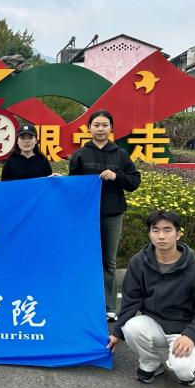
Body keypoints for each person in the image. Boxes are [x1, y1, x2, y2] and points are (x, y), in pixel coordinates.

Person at [107, 210, 195, 386]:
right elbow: (131, 300)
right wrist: (117, 333)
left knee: (185, 373)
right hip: (155, 324)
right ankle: (152, 363)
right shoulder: (139, 262)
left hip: (183, 330)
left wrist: (192, 335)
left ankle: (191, 361)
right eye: (155, 230)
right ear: (149, 234)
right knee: (130, 327)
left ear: (178, 234)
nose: (161, 236)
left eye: (167, 230)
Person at [68, 110, 141, 322]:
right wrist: (57, 182)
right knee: (86, 260)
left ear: (111, 128)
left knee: (109, 261)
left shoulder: (120, 154)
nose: (100, 129)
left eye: (104, 125)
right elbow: (73, 186)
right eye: (96, 125)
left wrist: (116, 176)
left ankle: (109, 306)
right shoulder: (80, 154)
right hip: (86, 217)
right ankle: (86, 303)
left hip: (112, 214)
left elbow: (134, 182)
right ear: (89, 128)